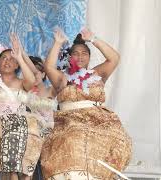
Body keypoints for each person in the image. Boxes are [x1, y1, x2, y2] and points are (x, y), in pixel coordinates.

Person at [41, 28, 132, 179]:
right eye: (75, 53)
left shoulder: (97, 74)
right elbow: (49, 67)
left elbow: (114, 58)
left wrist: (93, 39)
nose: (80, 56)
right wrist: (57, 43)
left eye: (84, 53)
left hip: (100, 122)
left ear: (89, 57)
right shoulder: (62, 78)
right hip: (70, 122)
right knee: (75, 137)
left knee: (115, 141)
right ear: (69, 57)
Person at [0, 34, 45, 180]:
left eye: (11, 59)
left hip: (21, 123)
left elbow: (32, 80)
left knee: (29, 131)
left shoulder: (21, 83)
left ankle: (23, 174)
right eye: (3, 58)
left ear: (17, 65)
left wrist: (19, 56)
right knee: (9, 135)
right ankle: (12, 173)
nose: (7, 61)